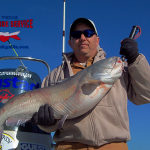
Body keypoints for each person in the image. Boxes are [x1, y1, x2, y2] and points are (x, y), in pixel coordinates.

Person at [31, 18, 150, 150]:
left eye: (88, 33)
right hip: (68, 146)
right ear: (70, 42)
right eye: (76, 35)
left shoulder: (118, 68)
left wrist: (135, 60)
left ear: (97, 40)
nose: (82, 38)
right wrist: (46, 123)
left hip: (113, 145)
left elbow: (145, 95)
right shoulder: (54, 76)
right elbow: (50, 125)